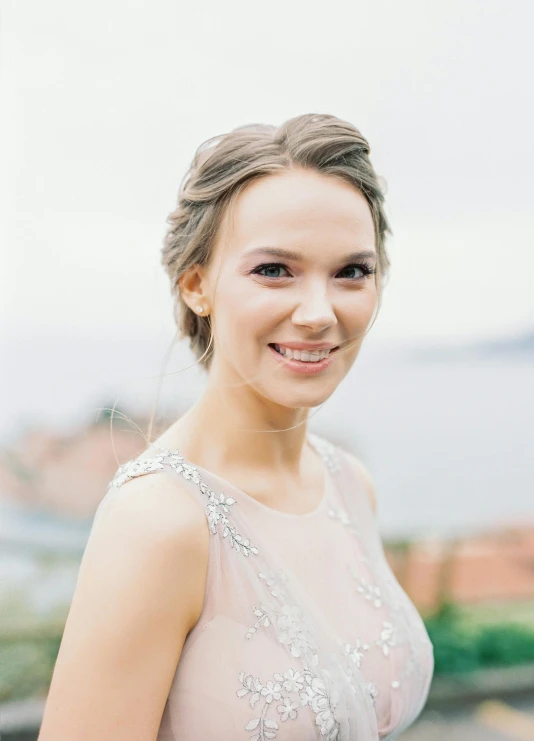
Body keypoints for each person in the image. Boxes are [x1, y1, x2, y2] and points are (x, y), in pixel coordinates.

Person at [38, 113, 434, 741]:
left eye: (352, 271)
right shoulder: (160, 521)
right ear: (197, 284)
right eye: (274, 270)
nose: (318, 312)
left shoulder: (351, 485)